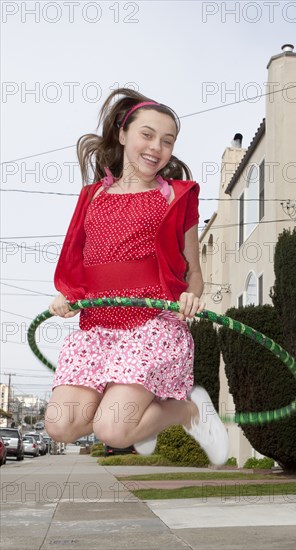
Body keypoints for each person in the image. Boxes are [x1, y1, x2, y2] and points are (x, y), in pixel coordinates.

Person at [45, 88, 229, 465]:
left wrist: (192, 296)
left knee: (113, 431)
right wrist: (66, 296)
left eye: (167, 141)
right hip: (97, 328)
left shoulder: (174, 197)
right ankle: (146, 420)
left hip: (151, 325)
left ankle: (189, 411)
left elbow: (194, 271)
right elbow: (80, 261)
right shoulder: (92, 196)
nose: (156, 147)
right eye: (147, 135)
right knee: (60, 427)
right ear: (123, 133)